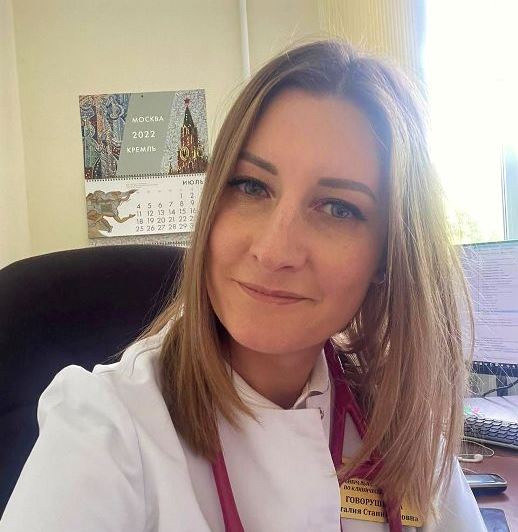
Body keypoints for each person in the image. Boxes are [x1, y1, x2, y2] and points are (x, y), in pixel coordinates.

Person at [0, 40, 486, 532]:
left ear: (388, 254)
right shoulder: (105, 428)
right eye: (251, 186)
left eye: (338, 208)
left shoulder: (397, 422)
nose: (274, 251)